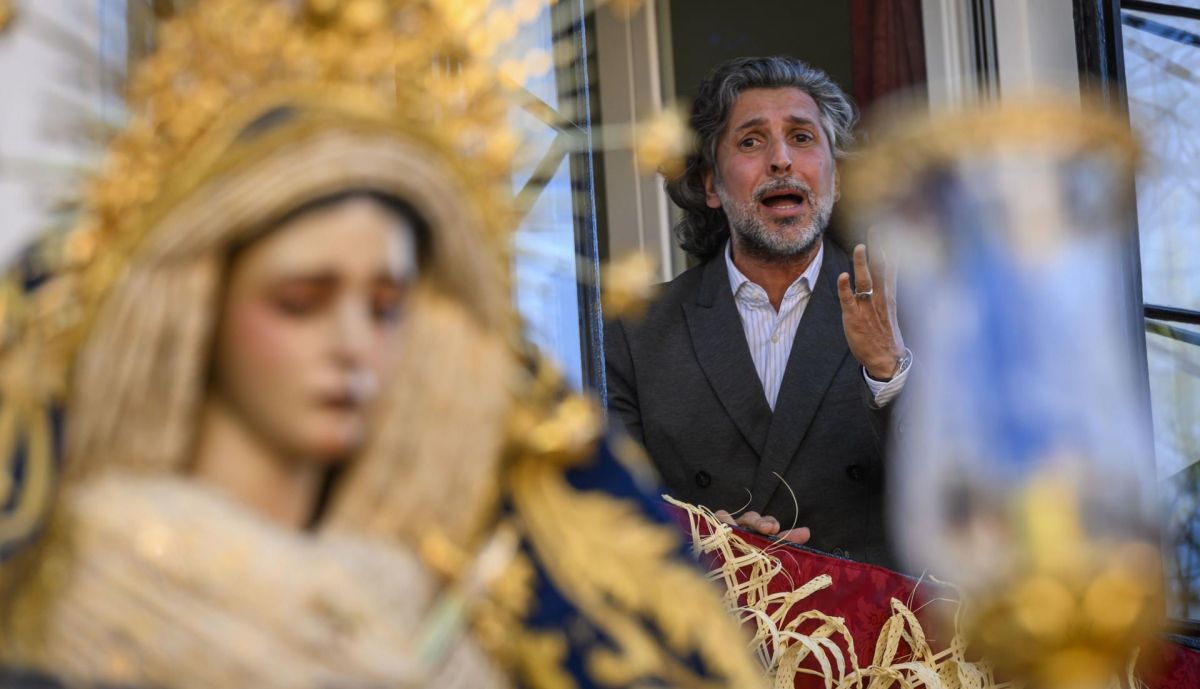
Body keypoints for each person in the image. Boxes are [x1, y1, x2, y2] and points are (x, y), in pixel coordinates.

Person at [0, 2, 765, 687]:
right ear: (197, 310)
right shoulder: (94, 587)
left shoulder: (451, 597)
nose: (353, 345)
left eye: (386, 307)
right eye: (300, 301)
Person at [605, 56, 910, 568]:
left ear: (836, 178)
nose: (781, 160)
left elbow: (963, 491)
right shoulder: (636, 331)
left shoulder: (910, 308)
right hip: (713, 612)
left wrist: (887, 370)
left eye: (802, 137)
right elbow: (610, 516)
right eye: (751, 142)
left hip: (879, 615)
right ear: (710, 185)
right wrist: (704, 540)